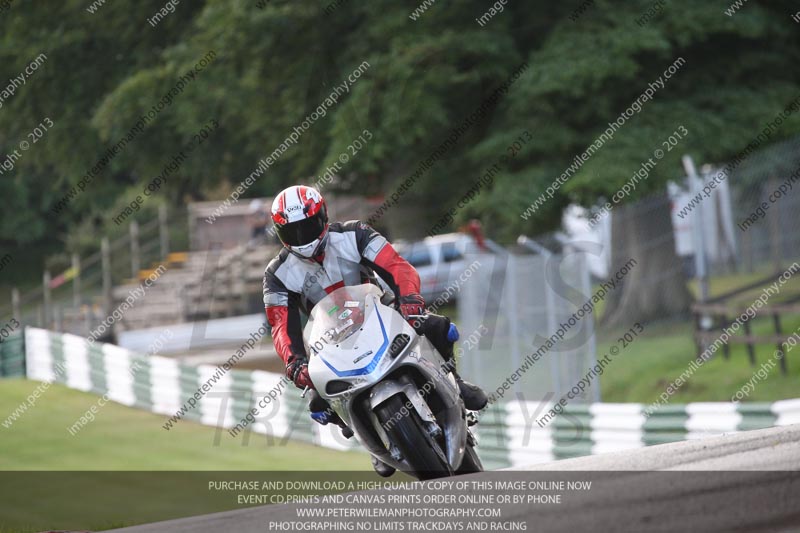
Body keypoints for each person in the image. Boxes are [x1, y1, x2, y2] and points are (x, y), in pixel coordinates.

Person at [262, 185, 487, 476]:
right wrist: (293, 361)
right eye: (293, 232)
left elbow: (396, 266)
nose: (302, 238)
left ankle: (455, 382)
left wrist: (410, 299)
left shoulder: (355, 234)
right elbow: (280, 324)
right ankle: (363, 432)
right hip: (329, 341)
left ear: (323, 217)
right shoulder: (276, 274)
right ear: (280, 235)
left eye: (308, 227)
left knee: (437, 327)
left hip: (382, 310)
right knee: (315, 398)